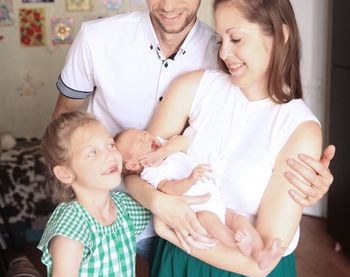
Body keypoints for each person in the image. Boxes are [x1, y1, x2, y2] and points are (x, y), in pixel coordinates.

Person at [52, 0, 335, 263]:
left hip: (190, 225)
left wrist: (303, 188)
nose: (169, 5)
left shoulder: (220, 53)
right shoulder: (97, 38)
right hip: (111, 215)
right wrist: (68, 198)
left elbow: (261, 122)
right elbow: (63, 125)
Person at [124, 0, 330, 277]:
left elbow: (260, 264)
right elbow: (135, 172)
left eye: (236, 39)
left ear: (279, 36)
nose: (225, 53)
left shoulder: (299, 129)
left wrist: (169, 230)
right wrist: (160, 203)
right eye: (220, 39)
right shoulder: (193, 88)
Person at [37, 112, 169, 277]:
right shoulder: (70, 230)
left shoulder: (124, 209)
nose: (108, 155)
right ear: (65, 173)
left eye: (109, 144)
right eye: (92, 153)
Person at [116, 128, 285, 269]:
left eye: (144, 133)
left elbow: (183, 141)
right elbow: (169, 188)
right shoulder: (151, 172)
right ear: (133, 165)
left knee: (237, 218)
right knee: (209, 219)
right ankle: (237, 243)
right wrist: (189, 180)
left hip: (215, 201)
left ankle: (260, 252)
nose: (147, 136)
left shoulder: (162, 146)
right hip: (200, 210)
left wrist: (162, 152)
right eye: (140, 140)